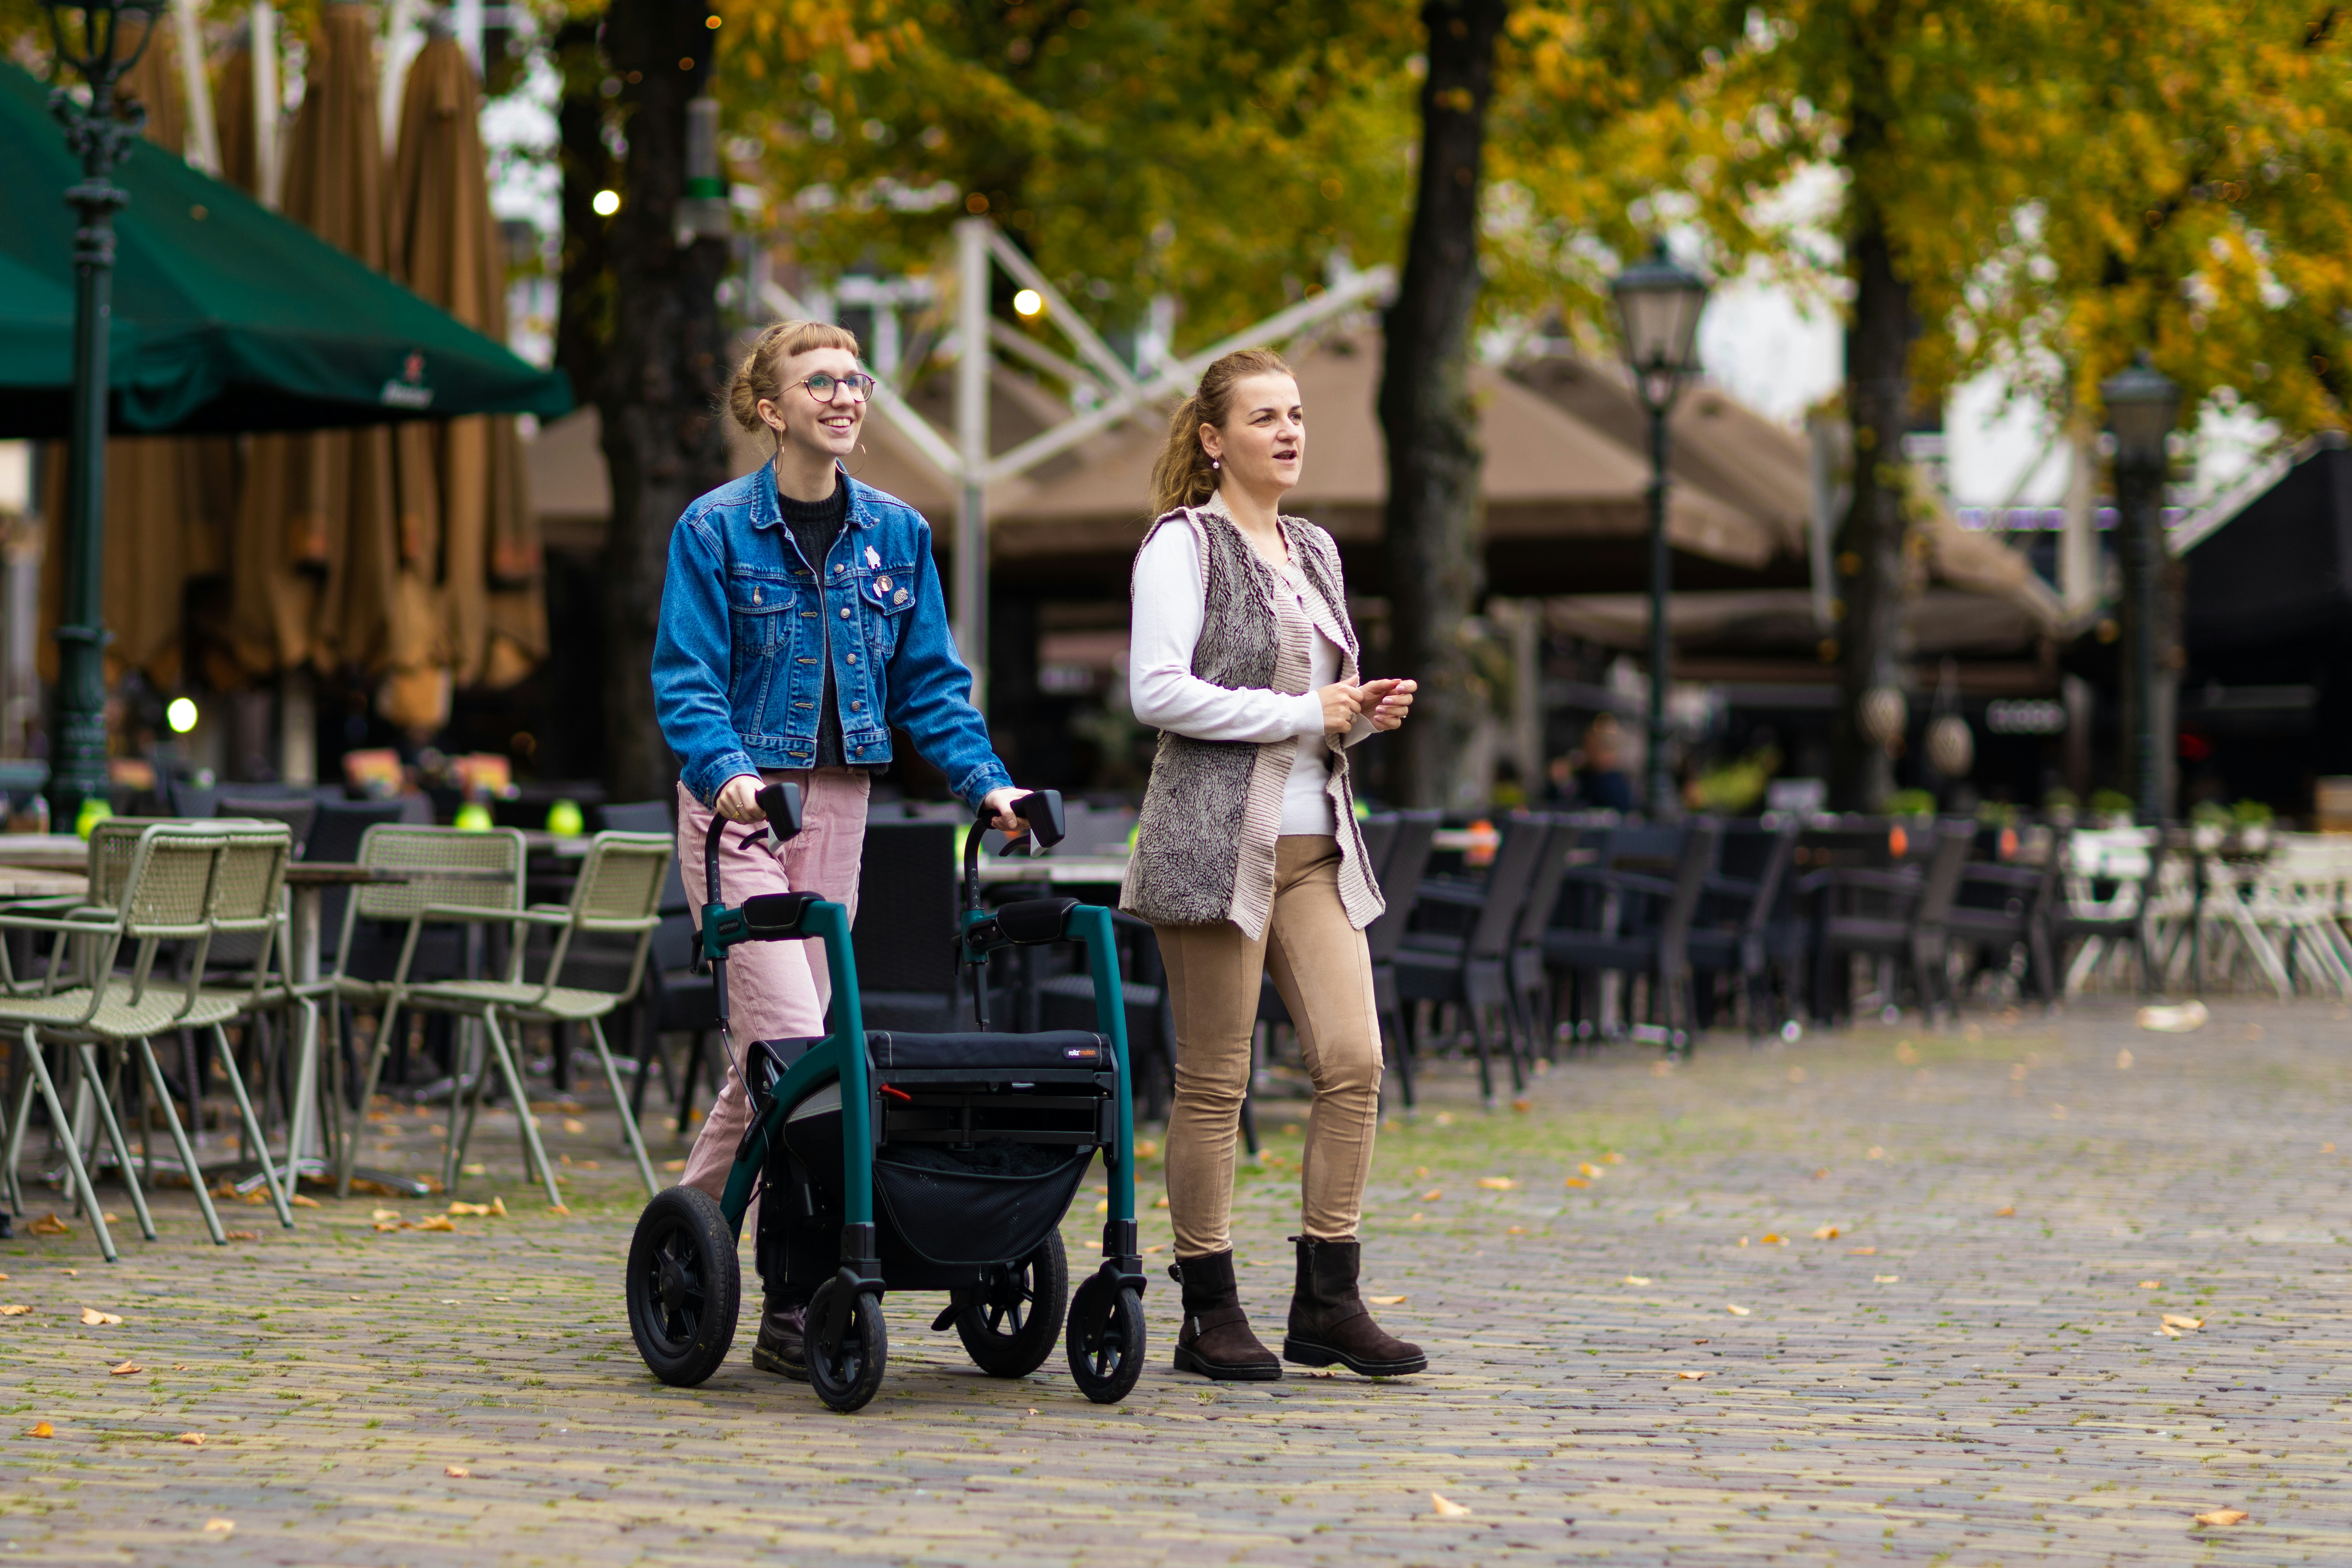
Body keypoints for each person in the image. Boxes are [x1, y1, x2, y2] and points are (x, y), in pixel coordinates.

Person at [651, 318, 1033, 1380]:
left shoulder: (898, 536)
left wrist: (987, 782)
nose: (845, 396)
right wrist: (725, 769)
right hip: (739, 810)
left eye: (855, 379)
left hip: (842, 806)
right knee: (798, 1041)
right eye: (819, 382)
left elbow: (930, 688)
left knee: (786, 1059)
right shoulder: (714, 529)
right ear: (772, 409)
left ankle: (689, 1239)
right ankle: (797, 1284)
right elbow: (685, 676)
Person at [1123, 347, 1425, 1381]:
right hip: (1214, 847)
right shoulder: (1184, 546)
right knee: (1216, 1081)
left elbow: (1313, 711)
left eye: (1296, 415)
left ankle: (1327, 1301)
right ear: (1213, 439)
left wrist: (1357, 717)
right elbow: (1156, 691)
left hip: (1318, 846)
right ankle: (1209, 1311)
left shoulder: (1315, 549)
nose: (1289, 432)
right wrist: (1307, 709)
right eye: (1264, 418)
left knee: (1356, 1062)